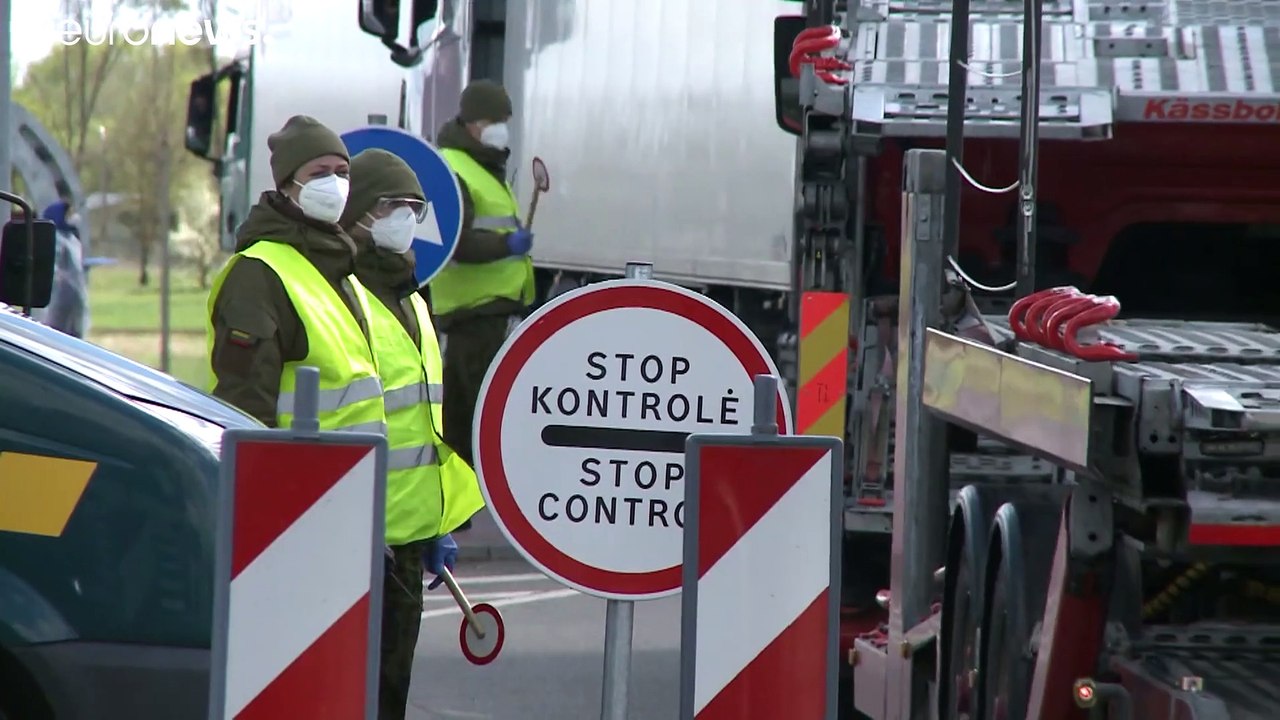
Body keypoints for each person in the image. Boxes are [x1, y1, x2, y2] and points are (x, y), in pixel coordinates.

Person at [340, 148, 485, 720]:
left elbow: (421, 424)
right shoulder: (344, 296)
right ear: (358, 214)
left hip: (405, 543)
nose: (405, 218)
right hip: (357, 539)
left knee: (390, 695)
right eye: (390, 206)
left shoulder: (413, 299)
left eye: (413, 207)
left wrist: (433, 524)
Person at [206, 115, 383, 434]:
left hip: (348, 474)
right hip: (298, 475)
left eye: (342, 173)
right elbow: (246, 400)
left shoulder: (338, 263)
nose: (335, 184)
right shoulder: (257, 273)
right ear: (288, 185)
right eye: (319, 174)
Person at [427, 79, 535, 468]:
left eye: (504, 119)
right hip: (471, 311)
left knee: (469, 408)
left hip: (490, 310)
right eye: (493, 120)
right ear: (472, 123)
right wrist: (506, 245)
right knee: (471, 412)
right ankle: (465, 494)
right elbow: (455, 242)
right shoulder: (457, 169)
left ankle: (464, 497)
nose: (500, 128)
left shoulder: (485, 166)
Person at [30, 199, 89, 338]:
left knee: (75, 334)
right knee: (55, 335)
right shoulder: (55, 238)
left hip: (74, 296)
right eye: (68, 214)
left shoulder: (71, 238)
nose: (73, 218)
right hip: (58, 298)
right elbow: (51, 268)